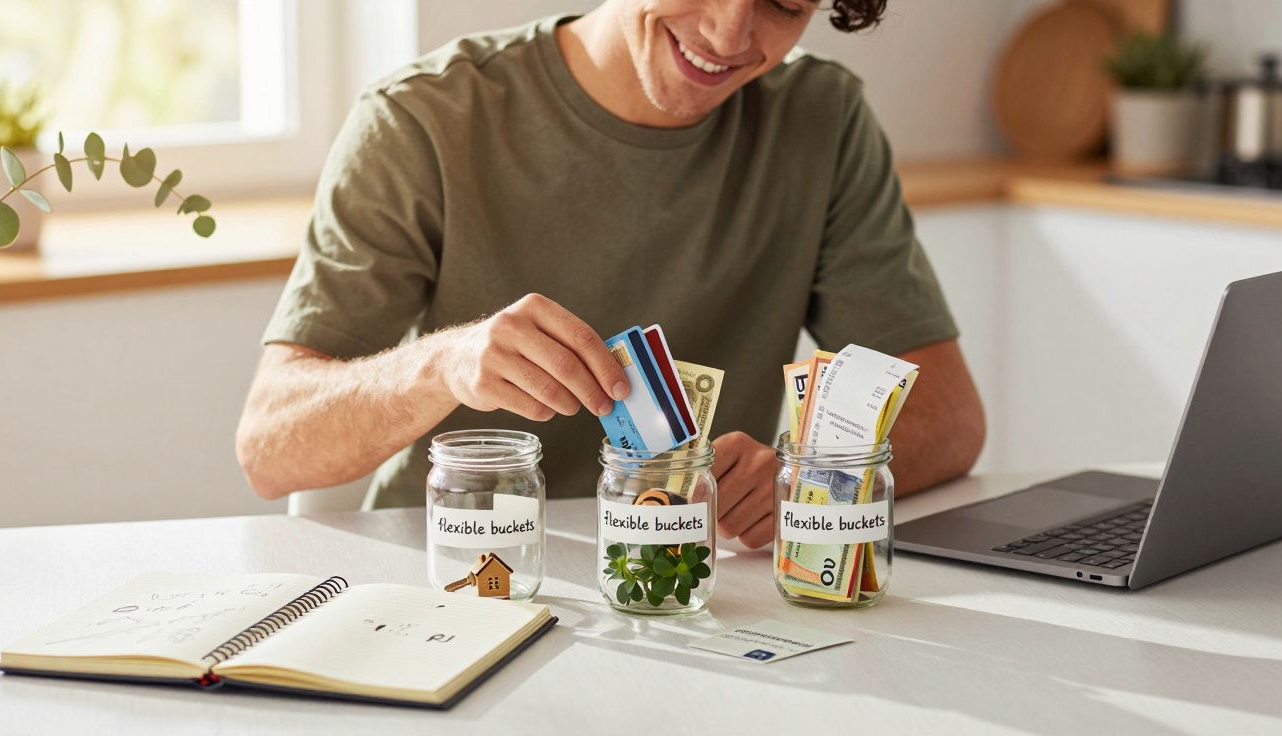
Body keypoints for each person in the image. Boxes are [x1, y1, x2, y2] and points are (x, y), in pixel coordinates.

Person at [236, 0, 986, 549]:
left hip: (691, 588)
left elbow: (948, 417)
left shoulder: (821, 120)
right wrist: (443, 365)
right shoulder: (423, 120)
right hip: (463, 575)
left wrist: (804, 474)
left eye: (782, 4)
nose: (729, 34)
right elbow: (270, 449)